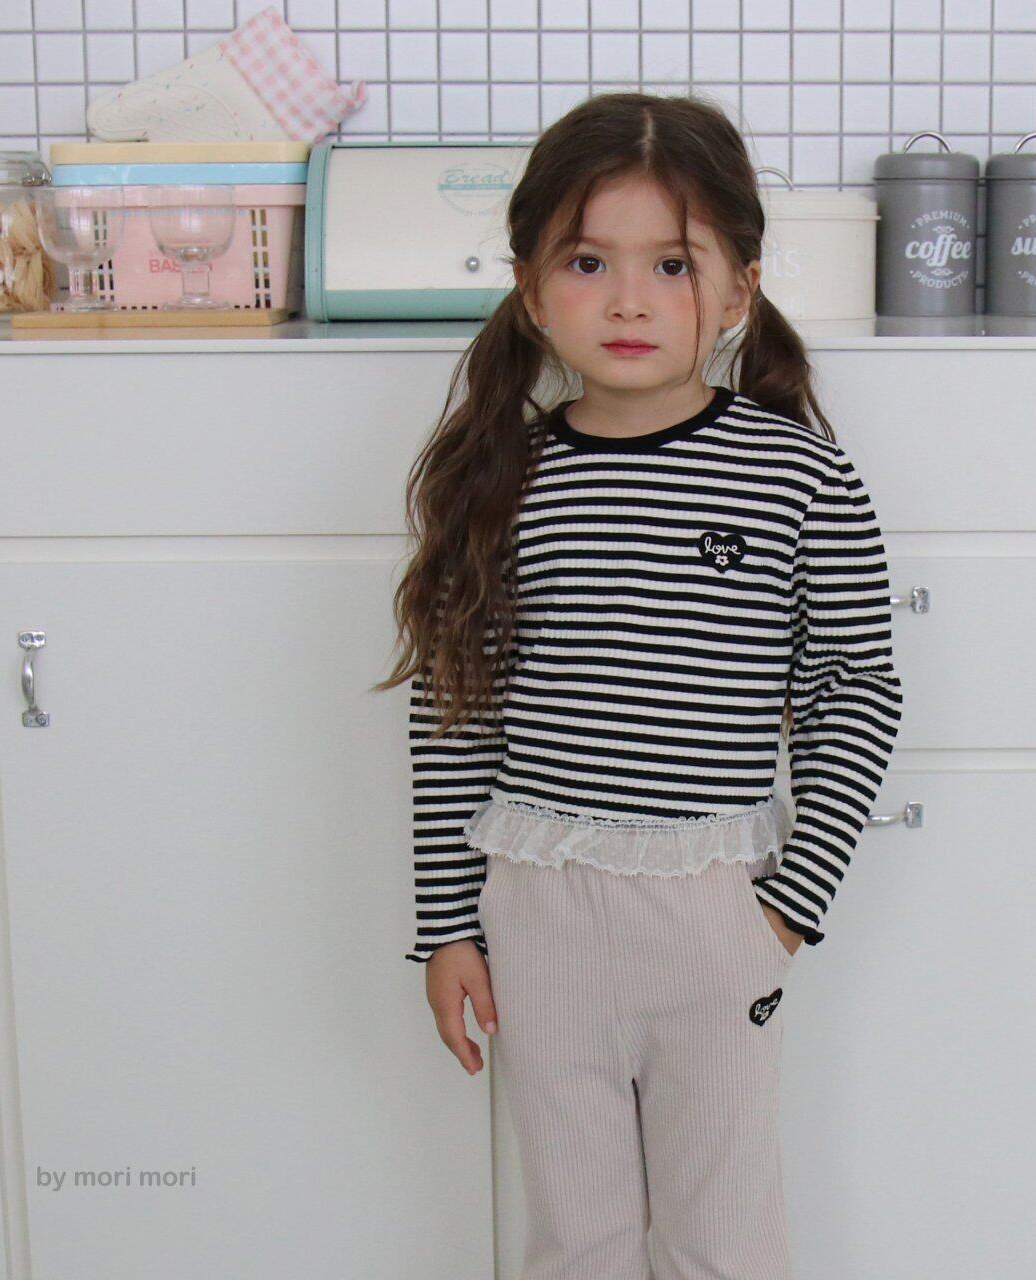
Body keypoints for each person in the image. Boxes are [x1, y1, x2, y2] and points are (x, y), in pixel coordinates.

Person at [374, 90, 904, 1280]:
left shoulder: (799, 473)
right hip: (538, 910)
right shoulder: (501, 479)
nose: (626, 300)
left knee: (721, 1237)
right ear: (529, 289)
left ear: (738, 288)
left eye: (670, 263)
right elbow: (455, 706)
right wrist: (446, 925)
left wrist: (787, 905)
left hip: (714, 912)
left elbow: (853, 689)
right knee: (576, 1237)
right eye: (586, 262)